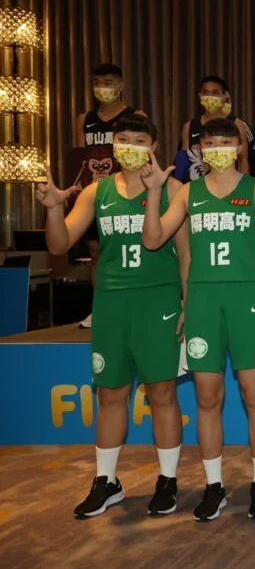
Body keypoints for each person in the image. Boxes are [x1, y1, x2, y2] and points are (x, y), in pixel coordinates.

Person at [37, 113, 188, 518]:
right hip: (110, 303)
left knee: (162, 392)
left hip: (158, 301)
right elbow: (59, 245)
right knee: (110, 394)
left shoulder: (173, 188)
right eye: (123, 139)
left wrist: (187, 304)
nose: (130, 147)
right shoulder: (96, 191)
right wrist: (54, 208)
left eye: (139, 140)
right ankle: (106, 481)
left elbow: (186, 255)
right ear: (113, 144)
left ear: (153, 147)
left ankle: (168, 481)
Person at [141, 118, 255, 522]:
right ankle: (214, 486)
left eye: (225, 141)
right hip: (203, 303)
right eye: (210, 142)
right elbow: (153, 239)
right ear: (200, 149)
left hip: (248, 301)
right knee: (207, 398)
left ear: (238, 147)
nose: (217, 148)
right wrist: (154, 193)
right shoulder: (188, 192)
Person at [74, 63, 146, 329]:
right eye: (97, 82)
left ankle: (135, 305)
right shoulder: (84, 119)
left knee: (129, 248)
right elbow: (80, 158)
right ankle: (100, 308)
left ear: (121, 85)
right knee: (96, 252)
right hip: (96, 193)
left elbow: (145, 153)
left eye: (108, 82)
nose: (102, 88)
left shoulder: (134, 116)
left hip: (127, 192)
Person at [177, 75, 255, 179]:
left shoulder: (237, 124)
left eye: (214, 93)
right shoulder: (189, 127)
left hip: (230, 182)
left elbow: (243, 160)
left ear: (224, 96)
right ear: (200, 95)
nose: (209, 97)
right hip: (198, 183)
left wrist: (245, 185)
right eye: (205, 93)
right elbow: (184, 162)